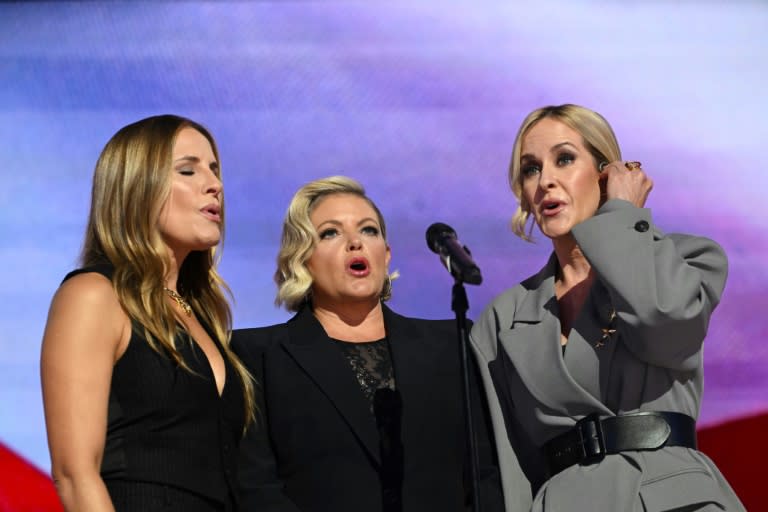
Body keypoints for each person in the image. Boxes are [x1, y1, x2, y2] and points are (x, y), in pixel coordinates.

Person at [470, 104, 745, 511]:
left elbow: (663, 325)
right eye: (531, 169)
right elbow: (508, 465)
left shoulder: (688, 258)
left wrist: (622, 215)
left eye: (564, 159)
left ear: (606, 172)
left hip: (672, 500)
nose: (546, 180)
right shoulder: (501, 318)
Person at [232, 176, 504, 512]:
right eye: (330, 233)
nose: (355, 243)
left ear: (386, 254)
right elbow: (256, 488)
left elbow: (484, 478)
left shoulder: (451, 344)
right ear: (301, 259)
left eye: (368, 230)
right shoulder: (259, 355)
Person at [40, 115, 256, 511]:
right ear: (137, 186)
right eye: (188, 170)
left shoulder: (200, 314)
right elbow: (74, 473)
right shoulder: (93, 295)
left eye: (215, 169)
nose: (215, 185)